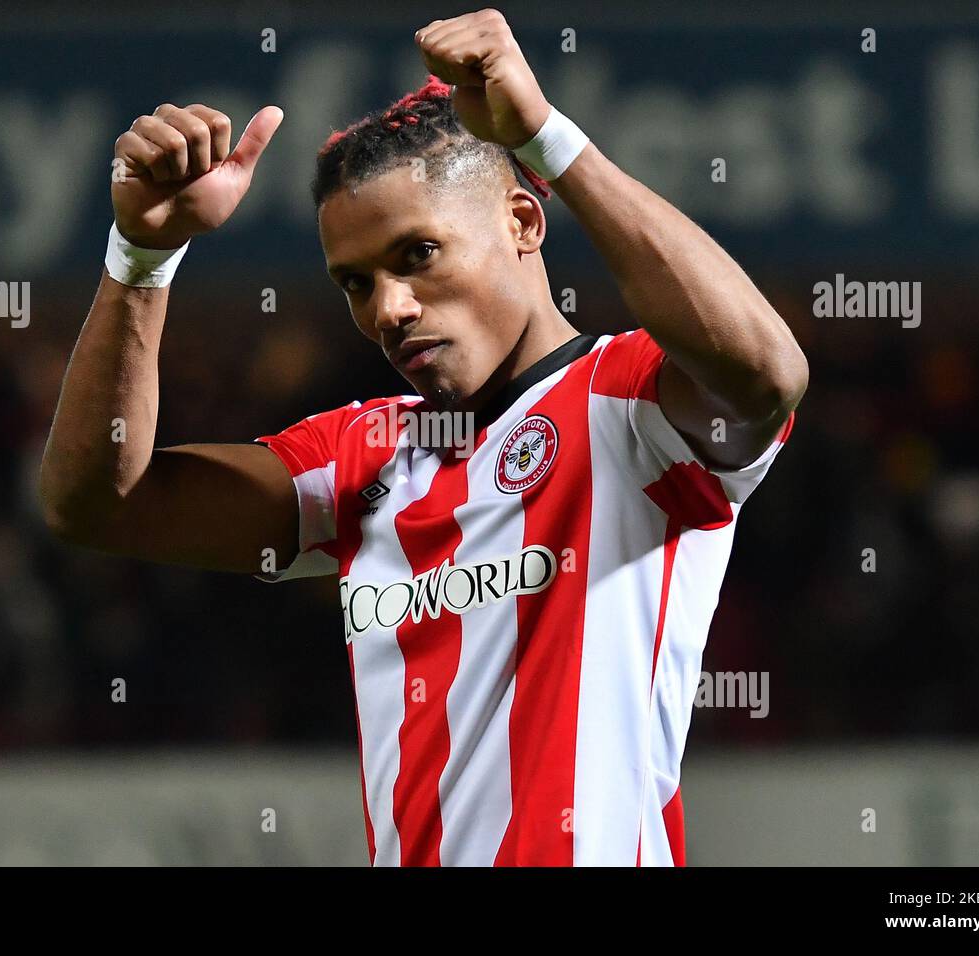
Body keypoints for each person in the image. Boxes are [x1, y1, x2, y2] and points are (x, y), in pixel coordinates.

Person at [39, 9, 808, 866]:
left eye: (418, 255)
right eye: (355, 284)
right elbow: (97, 504)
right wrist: (141, 256)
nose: (388, 310)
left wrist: (547, 137)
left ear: (523, 222)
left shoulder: (630, 409)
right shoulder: (358, 457)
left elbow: (765, 371)